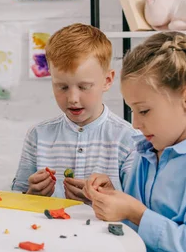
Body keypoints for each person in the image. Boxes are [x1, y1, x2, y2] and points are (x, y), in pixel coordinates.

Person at [86, 32, 186, 252]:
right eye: (132, 111)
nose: (136, 123)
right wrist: (115, 198)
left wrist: (135, 212)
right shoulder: (147, 149)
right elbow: (137, 220)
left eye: (144, 111)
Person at [12, 24, 136, 201]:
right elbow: (17, 199)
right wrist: (31, 194)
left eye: (83, 87)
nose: (72, 98)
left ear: (107, 81)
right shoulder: (38, 135)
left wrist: (105, 199)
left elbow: (137, 209)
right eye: (62, 87)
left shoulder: (129, 139)